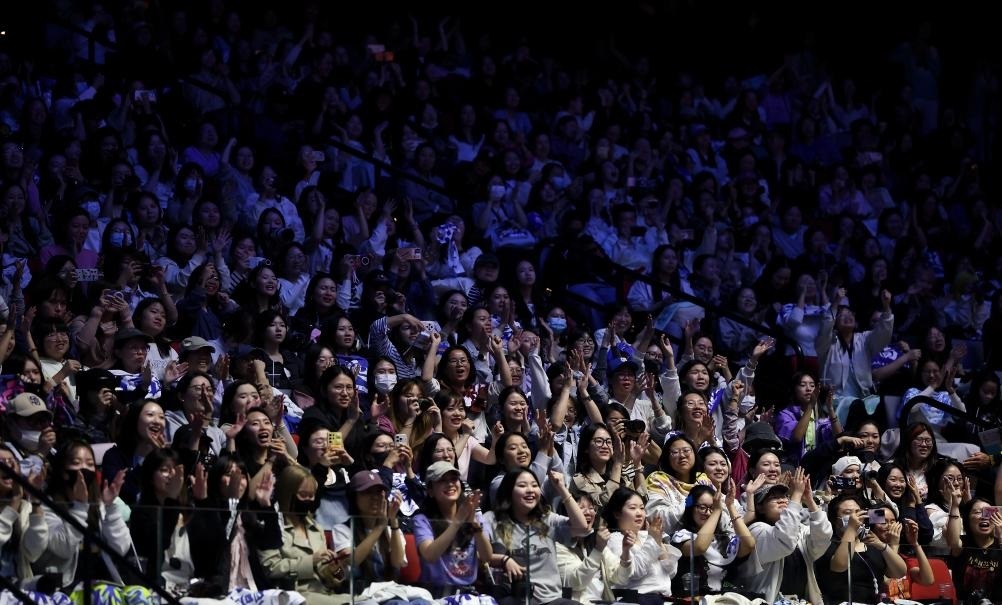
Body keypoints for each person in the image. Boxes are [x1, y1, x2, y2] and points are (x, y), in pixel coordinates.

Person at [484, 467, 590, 605]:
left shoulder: (547, 519)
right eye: (522, 485)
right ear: (509, 491)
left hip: (551, 600)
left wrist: (562, 489)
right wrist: (503, 560)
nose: (530, 490)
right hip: (512, 599)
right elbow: (476, 555)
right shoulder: (491, 519)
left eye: (534, 485)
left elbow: (582, 528)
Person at [736, 471, 832, 604]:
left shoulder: (798, 529)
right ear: (760, 508)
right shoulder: (756, 531)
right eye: (773, 497)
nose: (782, 499)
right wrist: (796, 496)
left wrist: (810, 501)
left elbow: (823, 539)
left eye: (785, 496)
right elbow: (784, 541)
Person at [412, 461, 493, 597]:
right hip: (436, 594)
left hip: (469, 592)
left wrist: (473, 523)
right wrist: (457, 522)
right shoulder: (422, 519)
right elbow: (429, 555)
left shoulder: (475, 514)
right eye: (442, 480)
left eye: (454, 479)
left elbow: (486, 556)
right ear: (430, 490)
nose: (450, 484)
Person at [816, 493, 908, 604]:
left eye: (858, 512)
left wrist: (883, 546)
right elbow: (840, 565)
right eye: (847, 513)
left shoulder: (872, 544)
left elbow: (899, 572)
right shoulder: (828, 544)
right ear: (835, 519)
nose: (855, 517)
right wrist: (851, 528)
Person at [670, 483, 755, 596]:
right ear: (691, 509)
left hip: (727, 599)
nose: (708, 512)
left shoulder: (724, 538)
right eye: (702, 507)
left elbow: (749, 544)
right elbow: (700, 547)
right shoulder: (681, 536)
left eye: (712, 507)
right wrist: (717, 510)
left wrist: (730, 506)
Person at [601, 487, 682, 605]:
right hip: (636, 600)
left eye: (642, 508)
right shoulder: (613, 539)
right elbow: (632, 572)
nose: (639, 513)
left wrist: (658, 541)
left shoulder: (646, 535)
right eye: (632, 508)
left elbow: (671, 572)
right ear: (617, 513)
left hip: (664, 599)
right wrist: (652, 540)